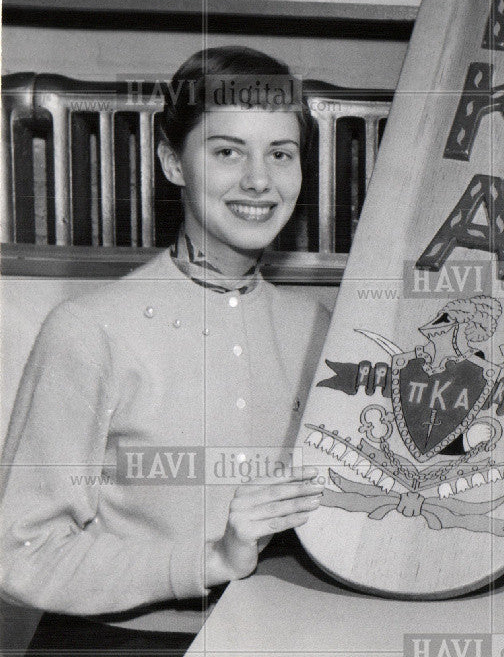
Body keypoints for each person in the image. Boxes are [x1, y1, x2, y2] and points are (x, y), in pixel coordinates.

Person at [0, 46, 331, 655]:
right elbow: (21, 554)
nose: (260, 180)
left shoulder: (318, 328)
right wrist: (208, 557)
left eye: (280, 154)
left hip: (278, 634)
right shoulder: (88, 330)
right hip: (119, 644)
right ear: (172, 162)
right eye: (227, 151)